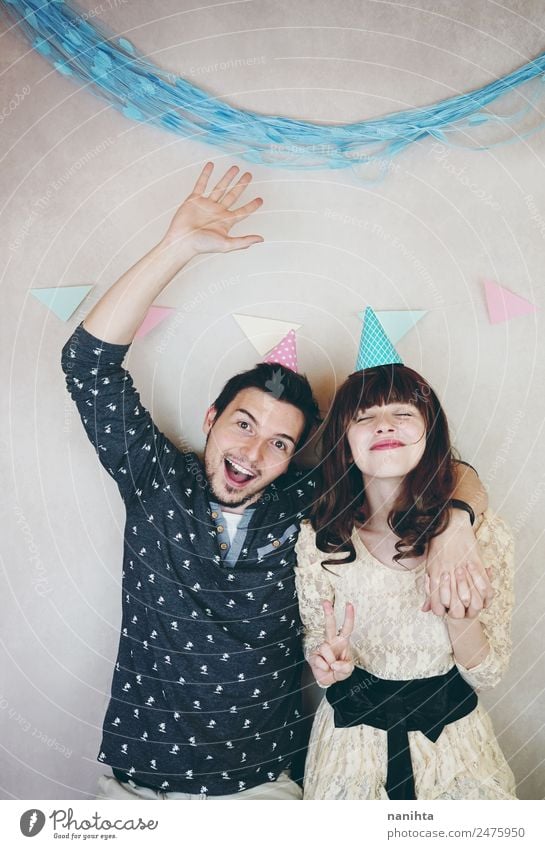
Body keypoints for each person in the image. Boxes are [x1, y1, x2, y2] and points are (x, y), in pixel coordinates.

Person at [61, 162, 492, 800]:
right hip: (138, 788)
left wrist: (457, 525)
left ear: (296, 458)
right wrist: (177, 245)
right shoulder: (155, 478)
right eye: (242, 424)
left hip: (265, 788)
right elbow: (88, 363)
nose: (253, 451)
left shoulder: (308, 502)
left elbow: (433, 466)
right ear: (211, 419)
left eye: (280, 442)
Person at [294, 365, 517, 800]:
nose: (384, 424)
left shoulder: (482, 534)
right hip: (349, 747)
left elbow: (489, 673)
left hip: (451, 745)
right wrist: (326, 665)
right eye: (363, 416)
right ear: (344, 441)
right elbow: (318, 638)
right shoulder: (319, 539)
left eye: (403, 413)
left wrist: (460, 618)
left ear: (430, 433)